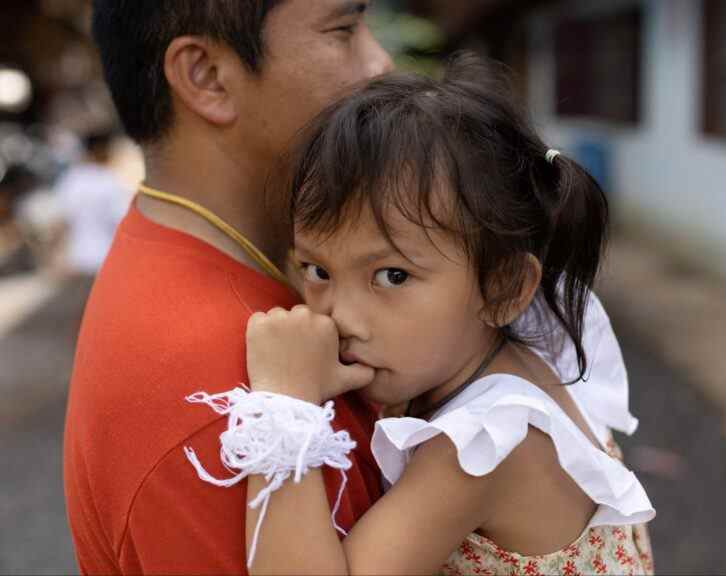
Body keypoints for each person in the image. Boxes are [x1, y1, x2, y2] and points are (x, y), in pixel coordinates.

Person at [189, 54, 656, 574]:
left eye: (392, 276)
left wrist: (283, 399)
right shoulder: (511, 348)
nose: (340, 316)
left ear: (503, 287)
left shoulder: (485, 444)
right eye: (316, 269)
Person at [63, 1, 393, 574]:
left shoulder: (217, 267)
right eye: (343, 29)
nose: (381, 62)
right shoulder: (228, 405)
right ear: (207, 77)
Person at [52, 130, 130, 277]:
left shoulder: (71, 179)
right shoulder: (108, 180)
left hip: (78, 259)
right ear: (101, 149)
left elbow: (61, 221)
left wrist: (58, 255)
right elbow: (122, 221)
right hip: (106, 259)